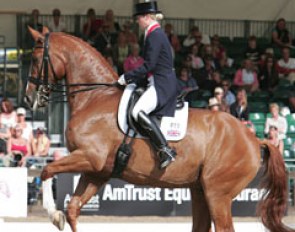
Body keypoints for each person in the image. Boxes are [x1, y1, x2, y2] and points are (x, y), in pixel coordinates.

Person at [117, 1, 178, 169]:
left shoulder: (155, 35)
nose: (137, 22)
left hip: (161, 84)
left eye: (138, 18)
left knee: (138, 111)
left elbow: (149, 66)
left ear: (146, 17)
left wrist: (127, 77)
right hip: (156, 81)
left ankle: (165, 149)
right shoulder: (153, 34)